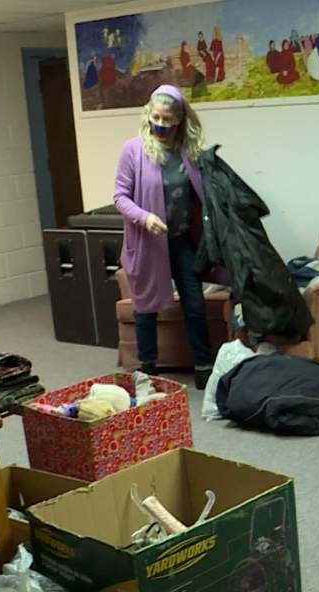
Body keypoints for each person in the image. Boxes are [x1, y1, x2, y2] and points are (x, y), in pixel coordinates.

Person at [113, 84, 214, 389]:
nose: (159, 124)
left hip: (182, 240)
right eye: (155, 117)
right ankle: (147, 370)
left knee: (194, 303)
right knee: (146, 306)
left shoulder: (189, 152)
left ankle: (204, 367)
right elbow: (120, 196)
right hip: (147, 241)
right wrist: (146, 218)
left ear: (180, 120)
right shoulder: (134, 150)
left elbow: (202, 195)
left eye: (167, 119)